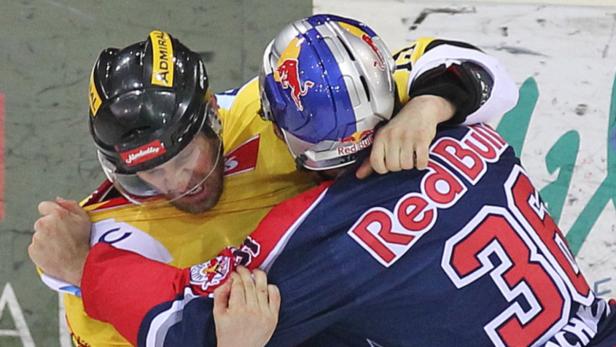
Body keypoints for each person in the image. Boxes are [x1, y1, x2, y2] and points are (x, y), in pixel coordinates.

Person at [55, 14, 616, 346]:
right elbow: (472, 70)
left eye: (188, 156)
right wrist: (431, 103)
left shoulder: (325, 240)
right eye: (149, 173)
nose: (177, 183)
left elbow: (187, 327)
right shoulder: (470, 130)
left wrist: (82, 268)